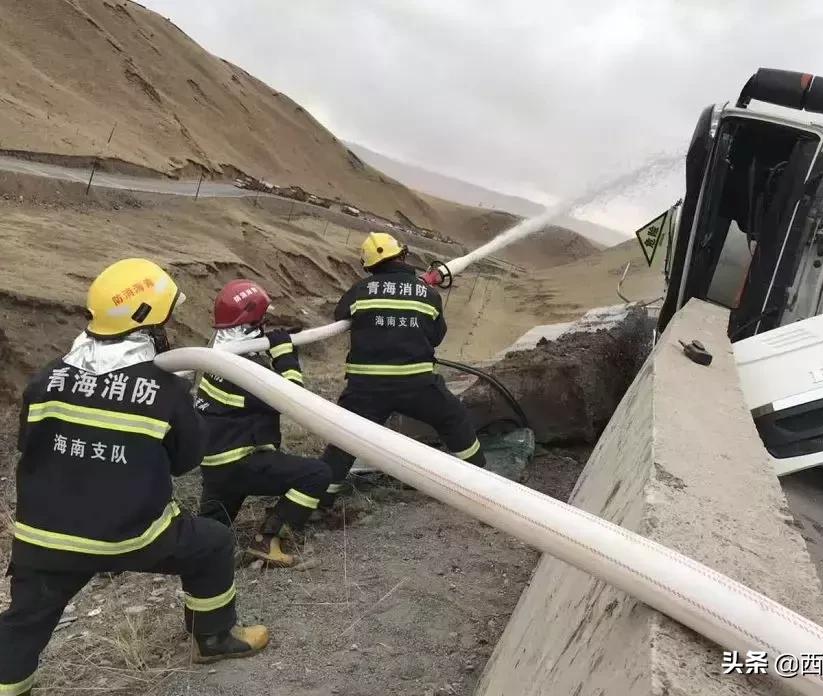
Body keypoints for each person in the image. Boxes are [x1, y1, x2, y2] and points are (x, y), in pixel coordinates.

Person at [0, 259, 269, 696]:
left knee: (24, 622)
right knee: (213, 542)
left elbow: (29, 446)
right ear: (148, 321)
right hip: (133, 535)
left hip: (43, 541)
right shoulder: (164, 389)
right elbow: (186, 462)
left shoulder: (45, 378)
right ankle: (215, 639)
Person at [318, 232, 486, 508]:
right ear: (402, 256)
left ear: (369, 266)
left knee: (345, 441)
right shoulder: (427, 294)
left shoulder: (360, 290)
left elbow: (341, 314)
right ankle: (483, 483)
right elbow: (436, 336)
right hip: (417, 385)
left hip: (365, 390)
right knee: (454, 420)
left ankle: (319, 501)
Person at [194, 279, 331, 568]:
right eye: (262, 319)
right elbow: (291, 398)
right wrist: (284, 357)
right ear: (254, 321)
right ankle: (268, 540)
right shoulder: (246, 367)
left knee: (207, 536)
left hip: (215, 466)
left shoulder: (217, 356)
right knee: (317, 474)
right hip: (242, 463)